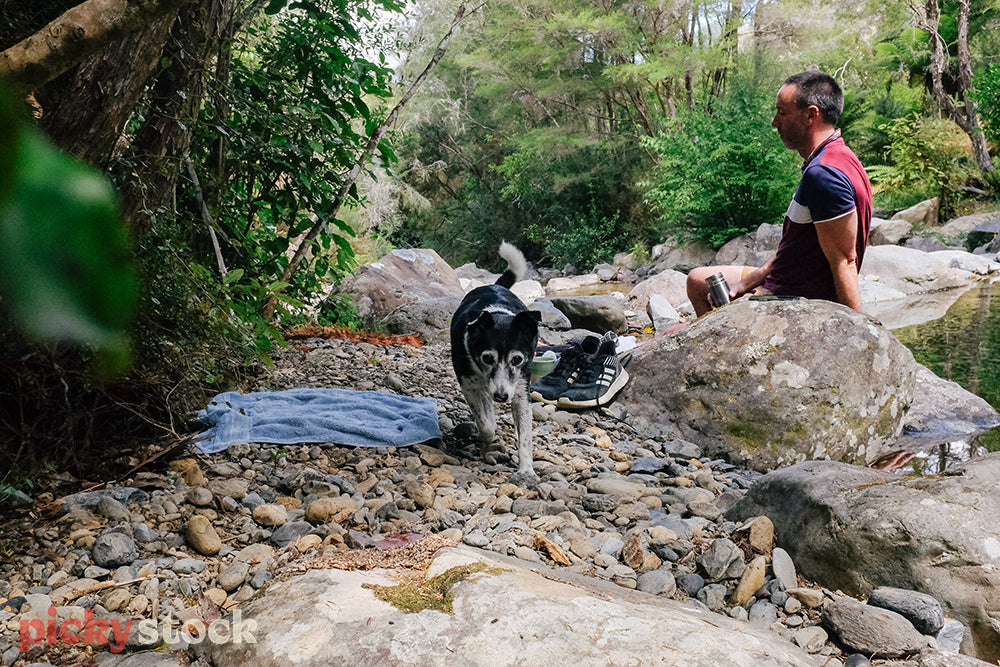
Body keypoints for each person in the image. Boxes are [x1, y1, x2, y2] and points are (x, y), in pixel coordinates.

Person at [687, 70, 873, 317]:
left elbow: (845, 263)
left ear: (811, 114)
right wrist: (746, 282)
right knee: (697, 280)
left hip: (791, 298)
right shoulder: (837, 156)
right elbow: (794, 246)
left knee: (698, 295)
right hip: (785, 278)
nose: (775, 123)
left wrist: (855, 333)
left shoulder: (824, 175)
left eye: (782, 113)